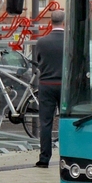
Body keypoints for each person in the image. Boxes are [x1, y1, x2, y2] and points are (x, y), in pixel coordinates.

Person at [34, 9, 65, 168]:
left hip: (46, 85)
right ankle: (66, 156)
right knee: (65, 121)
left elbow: (38, 60)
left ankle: (44, 158)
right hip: (64, 85)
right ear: (64, 22)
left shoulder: (42, 42)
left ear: (50, 22)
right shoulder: (69, 41)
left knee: (45, 122)